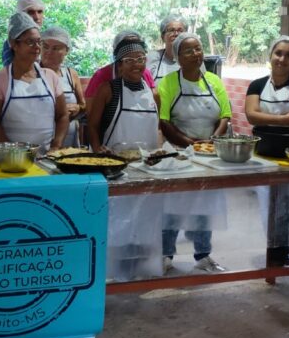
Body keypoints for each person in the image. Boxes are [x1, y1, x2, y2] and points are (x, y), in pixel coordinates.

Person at [87, 35, 162, 280]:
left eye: (141, 59)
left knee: (144, 221)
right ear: (119, 64)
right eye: (129, 60)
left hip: (146, 167)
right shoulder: (108, 89)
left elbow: (157, 127)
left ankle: (139, 269)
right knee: (118, 223)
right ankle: (113, 272)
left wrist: (160, 150)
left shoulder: (153, 94)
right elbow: (93, 125)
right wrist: (98, 148)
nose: (136, 64)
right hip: (116, 169)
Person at [157, 32, 233, 274]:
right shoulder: (168, 82)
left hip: (209, 154)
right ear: (177, 56)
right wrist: (189, 143)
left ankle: (203, 255)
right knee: (172, 207)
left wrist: (212, 141)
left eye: (198, 49)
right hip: (179, 153)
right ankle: (165, 256)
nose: (195, 54)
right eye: (188, 50)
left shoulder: (214, 81)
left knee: (204, 207)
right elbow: (164, 121)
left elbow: (225, 115)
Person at [244, 36, 289, 265]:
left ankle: (279, 249)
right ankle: (277, 251)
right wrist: (285, 117)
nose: (282, 59)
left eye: (288, 55)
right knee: (270, 203)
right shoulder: (257, 84)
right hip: (264, 152)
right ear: (270, 55)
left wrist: (272, 119)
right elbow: (250, 115)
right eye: (278, 53)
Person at [0, 13, 69, 150]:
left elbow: (62, 115)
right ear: (14, 44)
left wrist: (56, 145)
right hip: (13, 160)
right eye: (30, 42)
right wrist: (11, 151)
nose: (37, 47)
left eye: (39, 41)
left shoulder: (50, 77)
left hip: (47, 157)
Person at [83, 30, 157, 113]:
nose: (135, 64)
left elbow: (154, 105)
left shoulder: (145, 73)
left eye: (139, 58)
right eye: (129, 60)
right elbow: (91, 111)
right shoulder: (101, 76)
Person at [39, 26, 85, 147]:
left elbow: (83, 104)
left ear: (66, 51)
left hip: (69, 138)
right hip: (42, 138)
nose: (49, 52)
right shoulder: (32, 74)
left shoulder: (71, 74)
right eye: (45, 47)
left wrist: (78, 108)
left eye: (56, 48)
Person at [1, 0, 46, 66]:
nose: (37, 17)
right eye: (31, 12)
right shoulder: (12, 43)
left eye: (40, 12)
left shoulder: (46, 38)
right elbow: (11, 73)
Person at [146, 15, 187, 82]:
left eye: (180, 31)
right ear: (162, 37)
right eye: (171, 30)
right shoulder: (152, 58)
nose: (176, 34)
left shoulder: (194, 57)